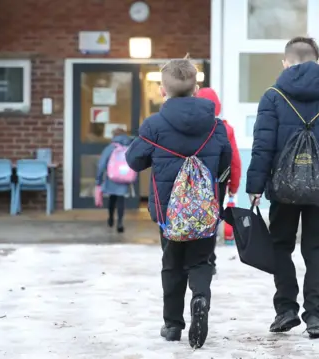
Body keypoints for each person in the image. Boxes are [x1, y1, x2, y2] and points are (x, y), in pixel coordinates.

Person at [246, 37, 319, 339]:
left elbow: (262, 146)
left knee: (280, 246)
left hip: (282, 189)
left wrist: (255, 185)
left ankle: (285, 310)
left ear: (286, 62)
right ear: (317, 62)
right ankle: (315, 316)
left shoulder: (272, 98)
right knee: (318, 249)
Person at [125, 58, 232, 349]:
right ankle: (199, 298)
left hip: (168, 212)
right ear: (196, 88)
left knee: (172, 264)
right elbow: (225, 163)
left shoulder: (154, 124)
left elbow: (134, 161)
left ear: (163, 90)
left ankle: (172, 325)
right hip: (204, 210)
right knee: (201, 260)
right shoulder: (216, 126)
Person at [196, 87, 241, 275]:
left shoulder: (189, 127)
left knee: (194, 217)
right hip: (218, 183)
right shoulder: (225, 128)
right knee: (212, 220)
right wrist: (233, 186)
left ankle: (194, 257)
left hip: (193, 181)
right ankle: (209, 259)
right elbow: (234, 160)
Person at [95, 127, 134, 233]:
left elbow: (102, 164)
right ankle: (120, 222)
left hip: (112, 176)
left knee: (112, 198)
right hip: (124, 175)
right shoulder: (129, 146)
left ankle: (111, 218)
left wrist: (98, 180)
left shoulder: (111, 147)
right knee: (121, 199)